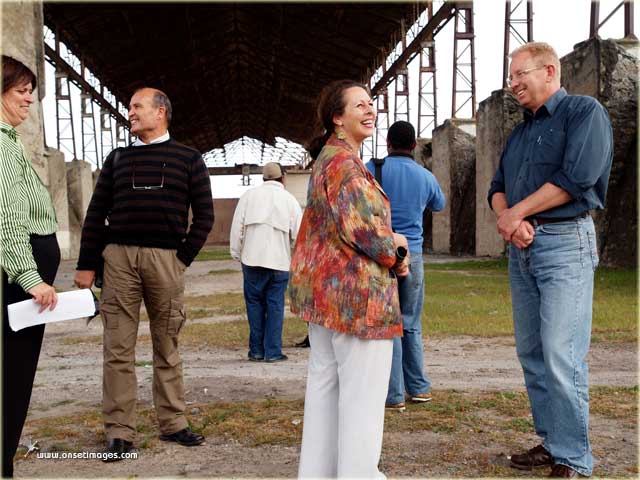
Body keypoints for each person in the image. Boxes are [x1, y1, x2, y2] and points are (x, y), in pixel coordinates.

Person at [488, 42, 613, 478]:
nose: (513, 83)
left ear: (550, 71)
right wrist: (510, 219)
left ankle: (575, 458)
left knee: (562, 353)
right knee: (534, 352)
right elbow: (497, 186)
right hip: (523, 248)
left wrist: (516, 214)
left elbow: (576, 178)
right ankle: (553, 441)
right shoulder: (520, 132)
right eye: (511, 76)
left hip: (565, 243)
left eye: (520, 74)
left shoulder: (583, 113)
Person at [74, 87, 214, 461]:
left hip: (166, 259)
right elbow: (95, 214)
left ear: (161, 112)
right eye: (130, 107)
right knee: (116, 349)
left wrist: (180, 259)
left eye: (137, 107)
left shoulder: (189, 159)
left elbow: (205, 217)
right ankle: (119, 432)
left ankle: (174, 423)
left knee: (167, 344)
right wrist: (88, 264)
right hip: (118, 260)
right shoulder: (117, 159)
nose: (130, 113)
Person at [290, 79, 410, 478]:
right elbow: (362, 230)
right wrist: (398, 252)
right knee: (361, 402)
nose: (370, 109)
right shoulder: (344, 163)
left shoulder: (329, 158)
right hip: (357, 300)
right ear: (337, 118)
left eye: (372, 103)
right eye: (360, 105)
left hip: (327, 299)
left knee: (326, 393)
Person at [1, 55, 60, 477]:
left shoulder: (10, 140)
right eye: (21, 90)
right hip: (19, 282)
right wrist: (31, 277)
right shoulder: (1, 146)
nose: (29, 99)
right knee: (12, 379)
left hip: (22, 279)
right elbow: (7, 216)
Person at [365, 120, 445, 412]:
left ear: (387, 143)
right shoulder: (425, 176)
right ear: (414, 146)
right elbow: (439, 205)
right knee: (410, 322)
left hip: (381, 254)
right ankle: (420, 388)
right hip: (414, 254)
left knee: (389, 324)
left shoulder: (372, 170)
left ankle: (393, 394)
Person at [230, 162, 302, 362]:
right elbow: (299, 234)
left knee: (254, 305)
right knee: (275, 306)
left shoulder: (248, 197)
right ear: (283, 178)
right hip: (279, 263)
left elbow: (237, 228)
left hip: (251, 260)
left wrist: (236, 253)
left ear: (263, 178)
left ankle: (256, 350)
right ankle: (272, 352)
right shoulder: (289, 200)